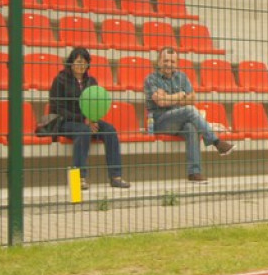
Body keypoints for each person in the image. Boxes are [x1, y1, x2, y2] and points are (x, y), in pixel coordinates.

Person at [143, 46, 235, 182]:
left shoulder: (182, 77)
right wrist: (181, 95)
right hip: (160, 122)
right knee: (190, 110)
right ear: (159, 61)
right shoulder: (151, 79)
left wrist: (169, 97)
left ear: (177, 63)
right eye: (166, 61)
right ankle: (216, 142)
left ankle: (194, 173)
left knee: (191, 127)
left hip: (179, 121)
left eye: (172, 62)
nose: (169, 64)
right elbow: (161, 102)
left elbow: (192, 99)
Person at [48, 46, 128, 189]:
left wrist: (93, 119)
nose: (81, 65)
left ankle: (116, 176)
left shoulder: (92, 82)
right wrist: (83, 119)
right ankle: (80, 178)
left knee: (110, 130)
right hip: (65, 121)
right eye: (78, 62)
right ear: (71, 63)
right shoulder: (59, 80)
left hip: (88, 120)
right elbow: (57, 108)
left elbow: (96, 105)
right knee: (84, 131)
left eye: (84, 62)